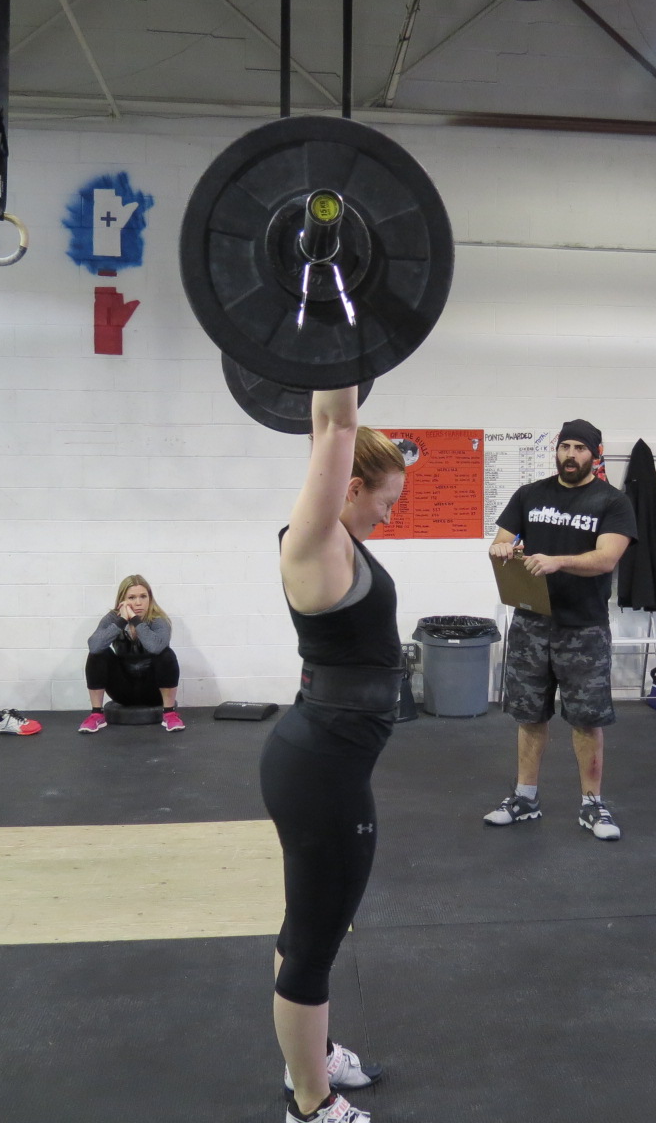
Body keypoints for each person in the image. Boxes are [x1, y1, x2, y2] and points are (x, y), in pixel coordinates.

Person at [259, 387, 407, 1123]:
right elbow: (337, 419)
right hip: (321, 769)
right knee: (315, 944)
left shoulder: (336, 541)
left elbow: (328, 421)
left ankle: (308, 1059)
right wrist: (337, 342)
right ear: (350, 486)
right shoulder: (313, 540)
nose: (391, 515)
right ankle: (311, 1104)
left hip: (320, 761)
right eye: (386, 501)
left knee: (305, 927)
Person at [485, 420, 637, 841]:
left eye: (580, 448)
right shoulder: (530, 495)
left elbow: (607, 559)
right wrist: (503, 548)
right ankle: (525, 799)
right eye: (565, 446)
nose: (570, 454)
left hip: (583, 627)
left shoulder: (612, 502)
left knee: (586, 720)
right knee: (529, 714)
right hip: (532, 622)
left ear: (595, 454)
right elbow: (501, 540)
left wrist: (558, 561)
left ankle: (592, 804)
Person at [79, 575, 184, 733]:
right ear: (122, 600)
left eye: (143, 596)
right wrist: (122, 620)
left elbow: (155, 647)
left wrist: (135, 619)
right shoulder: (112, 618)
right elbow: (94, 646)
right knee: (98, 653)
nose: (138, 602)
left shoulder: (158, 620)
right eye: (132, 598)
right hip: (123, 690)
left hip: (153, 690)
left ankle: (169, 713)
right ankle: (96, 715)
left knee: (166, 653)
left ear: (150, 598)